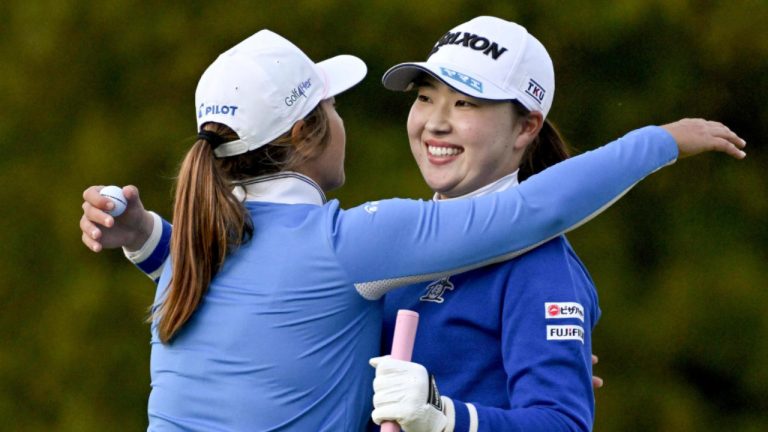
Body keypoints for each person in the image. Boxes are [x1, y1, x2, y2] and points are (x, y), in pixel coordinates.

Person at [79, 28, 746, 432]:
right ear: (308, 132)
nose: (435, 120)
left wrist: (142, 235)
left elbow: (254, 301)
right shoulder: (349, 246)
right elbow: (532, 211)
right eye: (333, 107)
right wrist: (662, 141)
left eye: (467, 102)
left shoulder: (195, 245)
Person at [366, 16, 627, 432]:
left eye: (465, 102)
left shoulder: (540, 265)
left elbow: (563, 423)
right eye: (426, 97)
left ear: (526, 127)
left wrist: (447, 417)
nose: (435, 122)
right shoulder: (391, 239)